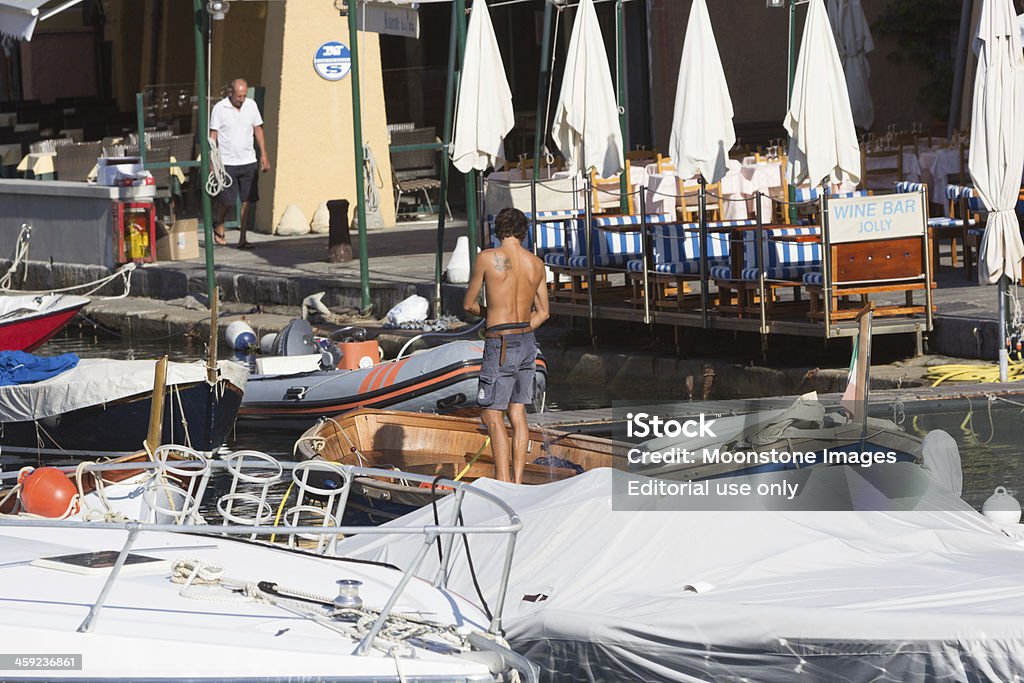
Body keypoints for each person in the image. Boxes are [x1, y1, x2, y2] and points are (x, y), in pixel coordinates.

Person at [463, 207, 549, 484]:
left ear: (497, 229)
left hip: (500, 340)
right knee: (518, 411)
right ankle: (518, 481)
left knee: (492, 414)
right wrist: (522, 329)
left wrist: (489, 315)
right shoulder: (536, 263)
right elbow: (544, 312)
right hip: (527, 340)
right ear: (524, 231)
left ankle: (502, 483)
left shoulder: (487, 258)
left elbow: (468, 304)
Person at [209, 78, 270, 248]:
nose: (241, 99)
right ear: (230, 93)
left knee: (247, 200)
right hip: (227, 162)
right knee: (227, 200)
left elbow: (258, 130)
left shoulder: (251, 105)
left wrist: (264, 155)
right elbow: (212, 135)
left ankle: (243, 238)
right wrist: (212, 161)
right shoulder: (220, 108)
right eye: (238, 96)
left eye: (243, 96)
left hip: (248, 160)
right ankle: (219, 221)